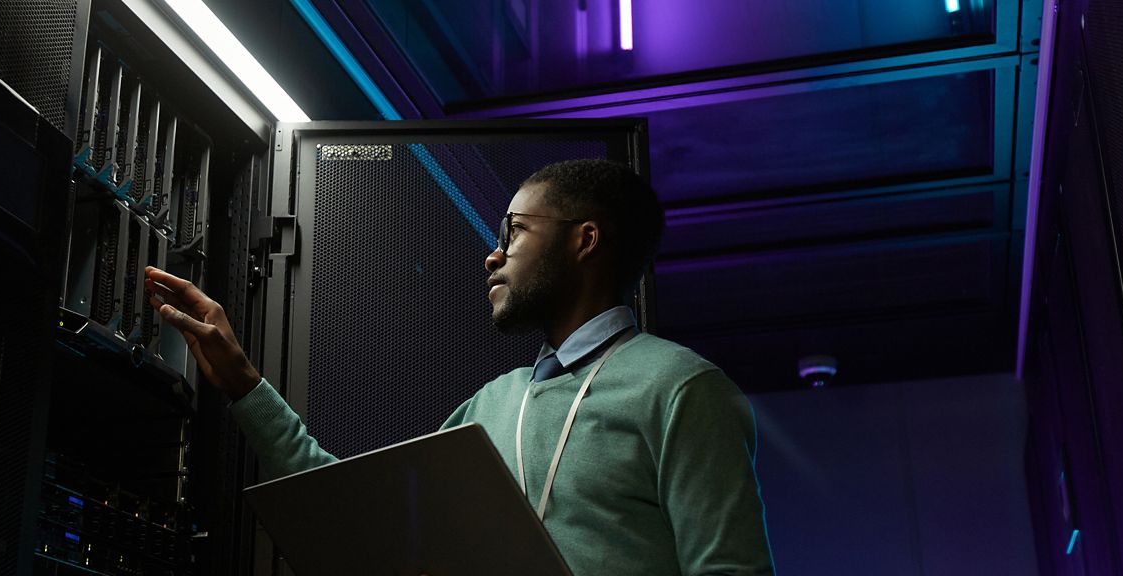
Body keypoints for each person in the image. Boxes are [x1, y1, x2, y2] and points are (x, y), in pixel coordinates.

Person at [145, 159, 774, 575]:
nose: (492, 255)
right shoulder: (493, 405)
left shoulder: (682, 389)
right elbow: (363, 511)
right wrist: (244, 385)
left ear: (585, 241)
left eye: (516, 231)